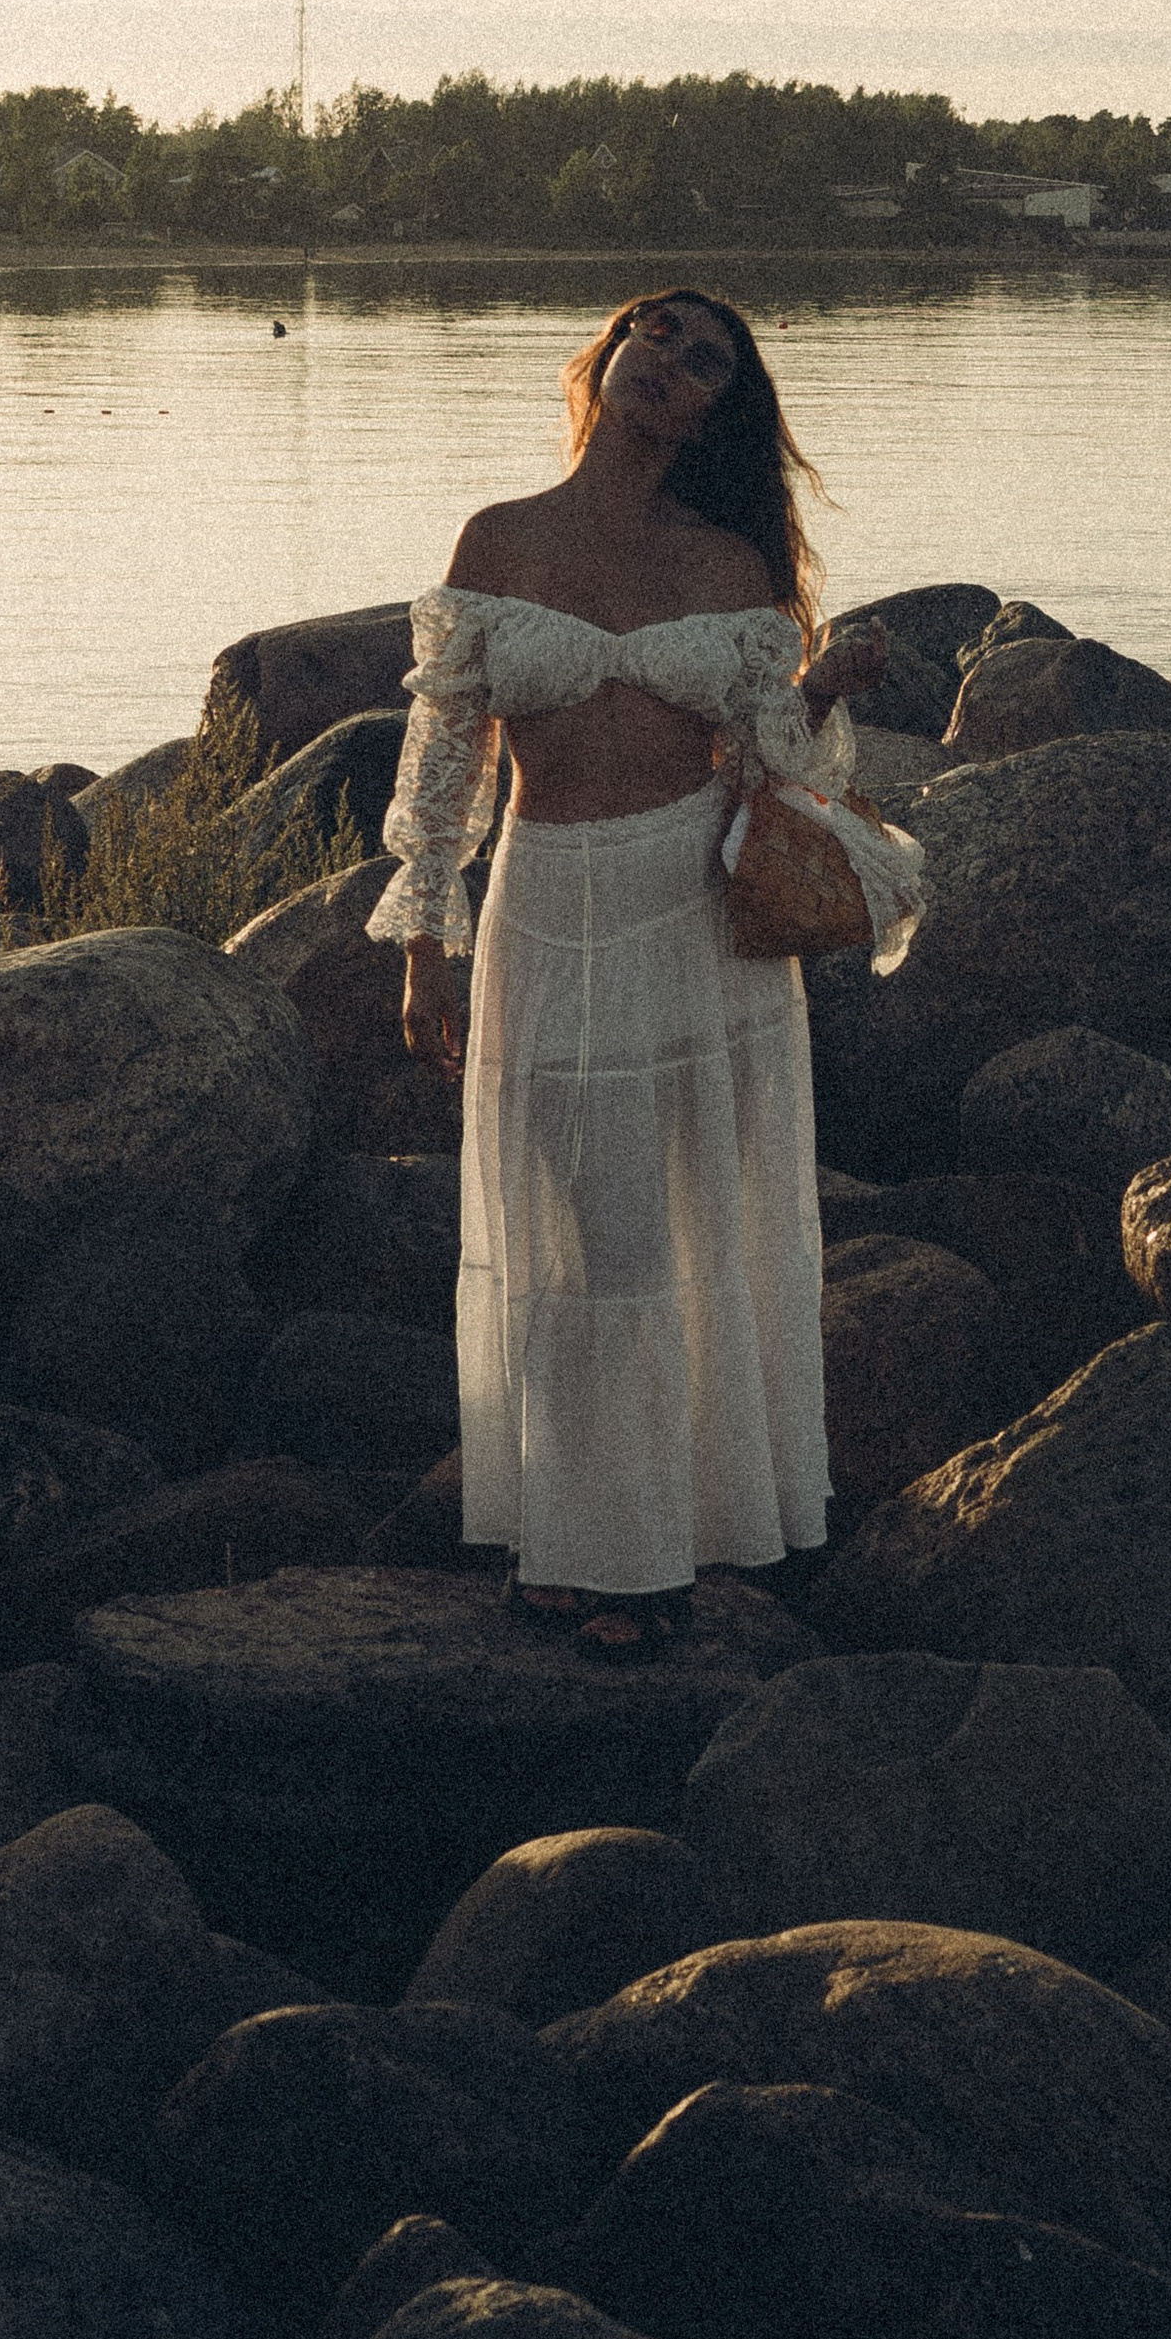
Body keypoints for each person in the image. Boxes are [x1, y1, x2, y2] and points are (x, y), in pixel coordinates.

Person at [366, 289, 926, 1658]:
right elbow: (445, 766)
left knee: (676, 1224)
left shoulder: (730, 563)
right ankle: (577, 1537)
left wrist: (827, 686)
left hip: (691, 913)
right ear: (607, 356)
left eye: (706, 361)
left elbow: (775, 769)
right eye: (655, 336)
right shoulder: (499, 540)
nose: (670, 365)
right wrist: (422, 944)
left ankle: (638, 1558)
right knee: (578, 1236)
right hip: (547, 904)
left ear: (720, 411)